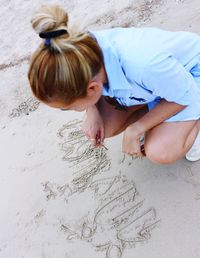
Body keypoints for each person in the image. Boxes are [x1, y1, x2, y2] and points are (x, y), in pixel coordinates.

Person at [28, 4, 200, 164]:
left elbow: (185, 95)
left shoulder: (144, 64)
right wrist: (92, 111)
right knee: (104, 125)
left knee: (160, 151)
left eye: (68, 107)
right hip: (160, 83)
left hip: (191, 77)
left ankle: (193, 125)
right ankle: (165, 120)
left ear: (92, 88)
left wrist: (136, 128)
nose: (71, 110)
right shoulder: (80, 52)